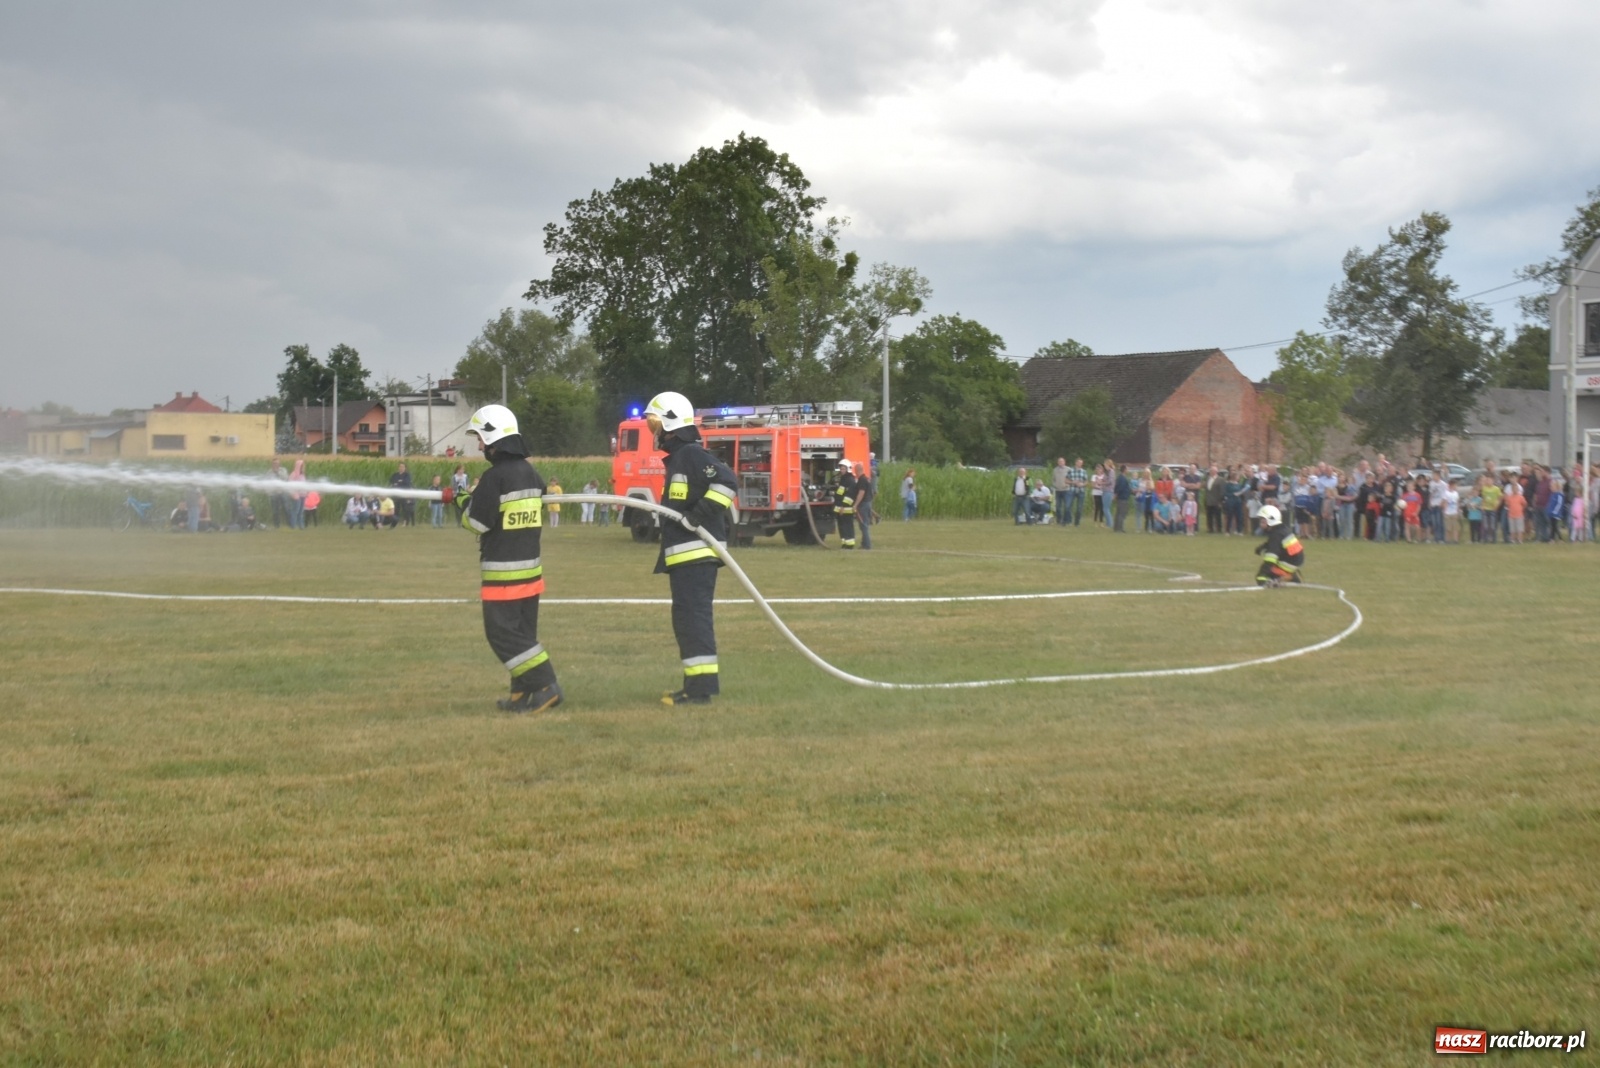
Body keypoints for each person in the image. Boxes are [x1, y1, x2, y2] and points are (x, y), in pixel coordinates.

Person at [459, 403, 563, 714]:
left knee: (502, 635)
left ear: (493, 438)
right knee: (522, 634)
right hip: (530, 571)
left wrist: (464, 501)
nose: (480, 446)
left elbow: (477, 523)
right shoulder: (531, 473)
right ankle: (521, 693)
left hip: (503, 574)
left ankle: (546, 685)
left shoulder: (495, 477)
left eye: (481, 438)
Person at [645, 390, 736, 707]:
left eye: (654, 423)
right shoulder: (680, 458)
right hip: (687, 557)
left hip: (696, 555)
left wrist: (697, 515)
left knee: (694, 621)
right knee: (687, 621)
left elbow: (727, 482)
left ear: (669, 424)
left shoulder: (691, 455)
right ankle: (695, 686)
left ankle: (699, 692)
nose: (653, 431)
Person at [1253, 504, 1304, 587]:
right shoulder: (1281, 529)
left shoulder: (1276, 534)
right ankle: (1290, 573)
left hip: (1289, 562)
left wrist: (1261, 575)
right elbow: (1276, 543)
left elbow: (1271, 558)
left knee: (1270, 574)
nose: (1260, 524)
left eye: (1263, 521)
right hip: (1294, 559)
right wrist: (1263, 547)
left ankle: (1291, 577)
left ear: (1271, 520)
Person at [834, 458, 864, 546]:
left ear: (848, 469)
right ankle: (844, 543)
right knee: (842, 526)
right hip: (840, 508)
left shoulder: (850, 480)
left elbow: (849, 495)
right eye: (841, 469)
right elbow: (840, 493)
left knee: (847, 526)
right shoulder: (843, 479)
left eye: (843, 469)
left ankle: (850, 544)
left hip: (846, 509)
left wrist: (843, 506)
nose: (842, 470)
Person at [390, 462, 415, 527]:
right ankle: (395, 522)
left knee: (405, 509)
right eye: (400, 466)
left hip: (404, 494)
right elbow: (392, 482)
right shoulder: (395, 475)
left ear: (405, 468)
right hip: (396, 494)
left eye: (403, 467)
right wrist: (400, 482)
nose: (401, 468)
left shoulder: (407, 475)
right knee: (396, 509)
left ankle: (405, 522)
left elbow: (407, 483)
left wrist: (398, 483)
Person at [288, 459, 307, 529]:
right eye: (302, 466)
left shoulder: (302, 475)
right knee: (295, 511)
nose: (303, 467)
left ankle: (301, 525)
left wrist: (306, 492)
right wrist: (294, 494)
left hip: (303, 495)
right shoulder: (293, 474)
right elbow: (290, 485)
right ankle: (293, 525)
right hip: (296, 496)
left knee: (301, 512)